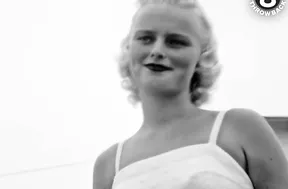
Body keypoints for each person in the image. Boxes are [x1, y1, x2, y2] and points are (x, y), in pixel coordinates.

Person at [93, 0, 288, 188]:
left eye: (175, 42)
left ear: (201, 58)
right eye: (145, 38)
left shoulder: (241, 127)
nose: (157, 50)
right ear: (129, 49)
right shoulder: (108, 166)